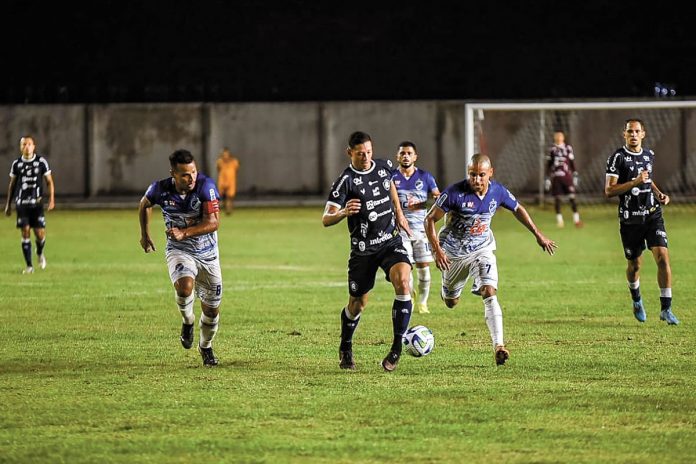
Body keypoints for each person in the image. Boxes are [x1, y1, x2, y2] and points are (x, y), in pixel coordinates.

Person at [425, 153, 556, 366]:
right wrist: (437, 250)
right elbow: (429, 219)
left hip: (482, 249)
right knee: (451, 302)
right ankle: (449, 290)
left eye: (481, 175)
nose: (476, 179)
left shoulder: (497, 191)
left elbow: (518, 209)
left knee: (489, 291)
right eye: (472, 175)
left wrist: (538, 234)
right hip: (453, 254)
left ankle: (499, 346)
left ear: (490, 174)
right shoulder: (454, 193)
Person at [322, 131, 414, 372]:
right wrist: (342, 213)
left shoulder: (384, 166)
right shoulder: (345, 181)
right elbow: (326, 218)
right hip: (363, 251)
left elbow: (390, 185)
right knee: (357, 305)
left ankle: (396, 349)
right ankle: (346, 346)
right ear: (349, 153)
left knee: (404, 283)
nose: (366, 157)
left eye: (369, 152)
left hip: (390, 242)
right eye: (360, 154)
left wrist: (400, 214)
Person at [138, 149, 224, 366]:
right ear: (173, 174)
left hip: (208, 254)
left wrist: (184, 231)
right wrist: (145, 234)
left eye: (193, 172)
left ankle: (205, 347)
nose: (191, 178)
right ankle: (188, 320)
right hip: (179, 250)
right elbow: (144, 205)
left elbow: (213, 222)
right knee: (184, 288)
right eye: (185, 174)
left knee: (212, 310)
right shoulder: (160, 188)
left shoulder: (206, 187)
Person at [604, 119, 679, 325]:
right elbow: (609, 191)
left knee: (663, 258)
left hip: (653, 215)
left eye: (637, 131)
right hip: (630, 220)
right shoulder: (617, 158)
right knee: (635, 265)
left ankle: (666, 308)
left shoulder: (649, 155)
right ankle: (636, 300)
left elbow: (648, 178)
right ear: (624, 134)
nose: (634, 135)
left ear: (643, 134)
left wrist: (659, 193)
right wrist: (633, 183)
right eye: (630, 131)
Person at [391, 141, 440, 314]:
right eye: (402, 153)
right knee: (406, 265)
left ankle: (423, 302)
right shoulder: (391, 177)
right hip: (399, 232)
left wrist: (418, 205)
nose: (406, 156)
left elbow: (438, 199)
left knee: (424, 268)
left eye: (409, 153)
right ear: (397, 156)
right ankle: (410, 297)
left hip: (421, 230)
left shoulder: (425, 177)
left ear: (415, 156)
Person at [4, 135, 56, 274]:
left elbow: (49, 181)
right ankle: (29, 266)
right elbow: (12, 184)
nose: (26, 147)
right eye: (24, 144)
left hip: (37, 204)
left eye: (29, 144)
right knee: (25, 231)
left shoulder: (41, 162)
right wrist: (8, 204)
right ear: (21, 147)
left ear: (34, 146)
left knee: (40, 234)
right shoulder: (17, 164)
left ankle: (39, 253)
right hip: (22, 204)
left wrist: (51, 199)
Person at [545, 130, 582, 228]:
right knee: (557, 199)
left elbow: (572, 162)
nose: (558, 138)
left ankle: (577, 220)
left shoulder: (568, 148)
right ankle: (560, 221)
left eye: (560, 136)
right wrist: (547, 178)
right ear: (554, 137)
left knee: (572, 197)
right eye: (556, 136)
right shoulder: (552, 150)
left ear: (563, 137)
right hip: (556, 177)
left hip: (567, 177)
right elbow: (548, 165)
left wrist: (575, 174)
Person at [216, 147, 240, 215]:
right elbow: (218, 169)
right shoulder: (220, 162)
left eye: (226, 154)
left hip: (231, 181)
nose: (225, 156)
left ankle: (229, 209)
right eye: (224, 155)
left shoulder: (234, 162)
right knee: (223, 196)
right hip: (222, 181)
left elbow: (237, 169)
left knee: (230, 196)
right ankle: (225, 208)